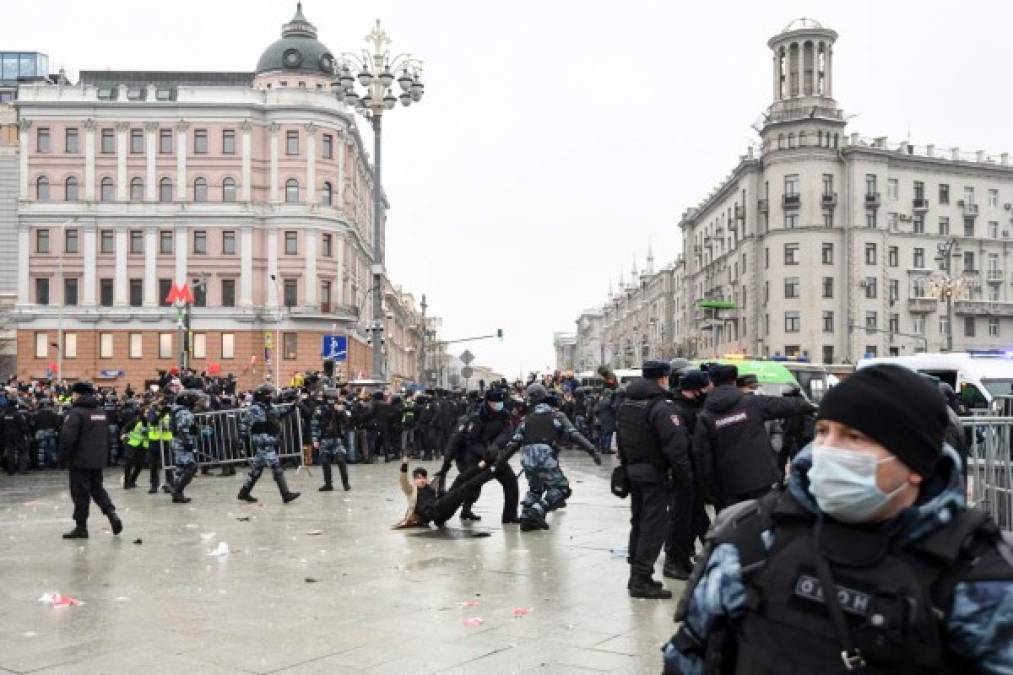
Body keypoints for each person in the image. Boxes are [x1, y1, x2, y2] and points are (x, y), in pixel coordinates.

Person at [663, 364, 1013, 674]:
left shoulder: (977, 577)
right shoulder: (752, 538)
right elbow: (690, 655)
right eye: (822, 432)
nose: (826, 451)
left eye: (854, 437)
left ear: (915, 463)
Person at [616, 361, 692, 599]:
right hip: (655, 475)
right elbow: (676, 448)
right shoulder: (661, 407)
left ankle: (636, 574)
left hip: (634, 472)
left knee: (638, 523)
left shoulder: (627, 403)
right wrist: (686, 478)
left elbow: (621, 440)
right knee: (653, 527)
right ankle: (641, 579)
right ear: (663, 379)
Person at [693, 364, 815, 510]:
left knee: (731, 529)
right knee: (762, 526)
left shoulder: (705, 416)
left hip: (728, 488)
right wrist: (811, 406)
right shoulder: (752, 403)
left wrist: (709, 490)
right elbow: (785, 405)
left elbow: (702, 456)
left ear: (711, 384)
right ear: (734, 382)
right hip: (761, 482)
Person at [495, 383, 601, 532]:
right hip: (545, 457)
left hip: (527, 458)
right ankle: (536, 512)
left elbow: (514, 443)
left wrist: (499, 462)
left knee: (535, 489)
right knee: (562, 489)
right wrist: (592, 450)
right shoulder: (557, 415)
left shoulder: (527, 419)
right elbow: (574, 435)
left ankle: (526, 517)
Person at [436, 388, 519, 524]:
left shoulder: (504, 415)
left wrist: (496, 446)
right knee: (470, 486)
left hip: (495, 456)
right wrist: (447, 462)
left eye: (500, 402)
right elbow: (469, 442)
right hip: (475, 456)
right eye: (495, 402)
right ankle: (444, 511)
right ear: (488, 402)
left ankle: (510, 516)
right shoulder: (476, 417)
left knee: (511, 482)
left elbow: (508, 431)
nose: (499, 405)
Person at [58, 382, 123, 539]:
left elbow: (68, 438)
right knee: (97, 489)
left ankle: (81, 527)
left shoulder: (76, 413)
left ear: (78, 394)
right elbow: (107, 436)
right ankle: (111, 513)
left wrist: (62, 458)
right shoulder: (100, 412)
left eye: (73, 393)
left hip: (80, 460)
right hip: (97, 459)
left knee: (80, 493)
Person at [663, 368, 711, 581]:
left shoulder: (691, 407)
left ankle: (682, 559)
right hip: (684, 472)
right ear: (695, 389)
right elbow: (680, 446)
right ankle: (673, 562)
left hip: (693, 472)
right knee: (679, 519)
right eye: (703, 388)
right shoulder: (679, 411)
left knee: (693, 518)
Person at [237, 384, 300, 504]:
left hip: (269, 439)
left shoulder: (269, 407)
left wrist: (292, 406)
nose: (270, 396)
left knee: (256, 470)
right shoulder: (254, 409)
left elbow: (279, 413)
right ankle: (285, 494)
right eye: (268, 394)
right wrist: (240, 439)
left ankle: (244, 492)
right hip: (263, 441)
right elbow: (244, 424)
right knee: (276, 466)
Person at [311, 389, 351, 491]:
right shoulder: (319, 409)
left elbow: (346, 423)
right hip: (324, 439)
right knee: (324, 461)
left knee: (340, 459)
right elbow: (314, 425)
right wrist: (315, 439)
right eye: (329, 400)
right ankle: (328, 484)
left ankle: (345, 483)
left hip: (337, 439)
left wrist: (341, 412)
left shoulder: (340, 409)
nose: (331, 402)